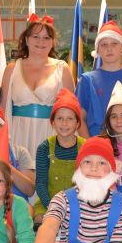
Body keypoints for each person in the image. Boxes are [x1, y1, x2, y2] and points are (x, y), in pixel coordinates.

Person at [1, 14, 75, 162]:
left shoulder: (62, 69)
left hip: (50, 134)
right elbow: (3, 108)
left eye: (47, 37)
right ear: (26, 40)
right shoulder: (12, 69)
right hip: (17, 133)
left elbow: (71, 110)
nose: (41, 41)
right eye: (36, 36)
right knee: (20, 173)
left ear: (52, 42)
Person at [34, 89, 85, 220]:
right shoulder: (44, 148)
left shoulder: (85, 148)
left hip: (79, 204)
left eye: (70, 119)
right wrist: (53, 207)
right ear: (53, 122)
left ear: (77, 123)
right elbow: (40, 184)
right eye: (60, 118)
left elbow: (89, 182)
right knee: (41, 222)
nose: (64, 123)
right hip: (48, 203)